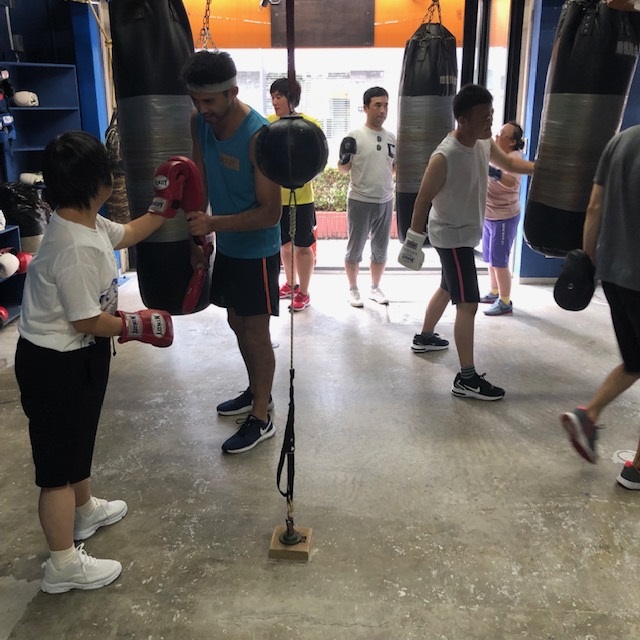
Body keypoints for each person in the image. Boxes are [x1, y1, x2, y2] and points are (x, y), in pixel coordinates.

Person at [14, 131, 176, 593]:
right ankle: (62, 565)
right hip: (54, 363)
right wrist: (137, 325)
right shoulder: (73, 245)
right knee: (56, 469)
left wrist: (166, 204)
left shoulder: (86, 221)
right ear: (96, 182)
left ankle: (84, 511)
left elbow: (129, 233)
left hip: (79, 355)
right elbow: (86, 319)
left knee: (78, 440)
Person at [399, 84, 534, 400]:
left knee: (448, 288)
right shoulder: (444, 156)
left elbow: (510, 164)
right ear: (462, 119)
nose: (490, 122)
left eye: (491, 115)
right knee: (468, 303)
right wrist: (413, 241)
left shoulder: (484, 141)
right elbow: (422, 199)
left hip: (464, 232)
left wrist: (543, 170)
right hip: (452, 236)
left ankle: (425, 337)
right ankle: (466, 378)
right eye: (484, 117)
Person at [182, 50, 282, 454]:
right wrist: (198, 241)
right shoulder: (199, 123)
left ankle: (261, 416)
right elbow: (199, 182)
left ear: (232, 92)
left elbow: (271, 213)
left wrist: (214, 225)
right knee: (237, 323)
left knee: (256, 333)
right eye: (195, 100)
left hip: (258, 251)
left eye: (209, 100)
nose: (201, 108)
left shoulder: (259, 136)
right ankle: (257, 390)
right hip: (226, 245)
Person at [561, 124, 640, 488]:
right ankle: (637, 469)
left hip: (612, 273)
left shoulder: (621, 140)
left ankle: (588, 414)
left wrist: (587, 259)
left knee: (635, 360)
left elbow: (594, 206)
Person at [338, 86, 396, 307]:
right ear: (365, 108)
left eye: (386, 105)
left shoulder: (391, 138)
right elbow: (343, 170)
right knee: (355, 249)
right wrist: (344, 157)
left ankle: (375, 287)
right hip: (360, 200)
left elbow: (393, 169)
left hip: (385, 200)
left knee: (381, 250)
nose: (382, 110)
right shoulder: (354, 136)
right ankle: (353, 290)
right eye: (377, 105)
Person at [267, 77, 320, 312]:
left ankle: (304, 293)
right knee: (285, 246)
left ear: (292, 99)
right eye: (273, 97)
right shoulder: (267, 124)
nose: (275, 102)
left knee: (302, 246)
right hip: (274, 198)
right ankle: (291, 284)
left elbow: (317, 160)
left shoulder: (308, 125)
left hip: (302, 198)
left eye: (279, 96)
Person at [480, 121, 525, 316]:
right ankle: (494, 292)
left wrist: (494, 172)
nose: (497, 137)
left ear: (512, 142)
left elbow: (510, 182)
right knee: (490, 258)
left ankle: (505, 301)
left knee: (499, 261)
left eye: (502, 134)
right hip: (489, 215)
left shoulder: (514, 159)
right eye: (497, 133)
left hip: (504, 217)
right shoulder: (497, 154)